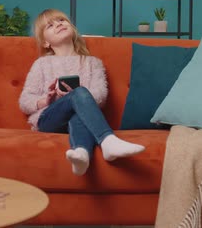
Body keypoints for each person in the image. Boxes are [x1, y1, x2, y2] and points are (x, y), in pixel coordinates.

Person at [19, 9, 145, 175]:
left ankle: (81, 154)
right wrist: (47, 100)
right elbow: (25, 101)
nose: (58, 24)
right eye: (50, 25)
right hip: (49, 119)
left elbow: (101, 96)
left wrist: (77, 98)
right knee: (79, 94)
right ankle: (107, 140)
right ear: (45, 43)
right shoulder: (41, 64)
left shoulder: (93, 63)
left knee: (78, 106)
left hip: (81, 118)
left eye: (61, 20)